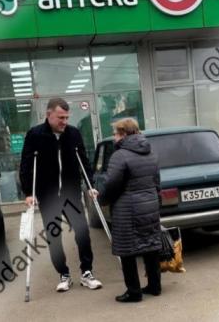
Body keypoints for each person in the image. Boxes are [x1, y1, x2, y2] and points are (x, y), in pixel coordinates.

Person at [19, 98, 102, 292]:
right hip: (47, 195)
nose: (64, 121)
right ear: (49, 115)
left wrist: (90, 184)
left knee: (82, 233)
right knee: (53, 236)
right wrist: (28, 192)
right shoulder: (35, 135)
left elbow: (83, 159)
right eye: (60, 117)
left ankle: (87, 272)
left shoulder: (73, 133)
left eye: (66, 117)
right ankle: (64, 274)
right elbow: (26, 164)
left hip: (71, 194)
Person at [96, 118, 162, 303]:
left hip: (128, 209)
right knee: (150, 247)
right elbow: (157, 182)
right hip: (150, 206)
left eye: (116, 134)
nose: (114, 137)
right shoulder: (151, 152)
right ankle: (155, 286)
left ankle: (134, 292)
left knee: (127, 251)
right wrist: (158, 205)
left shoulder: (120, 155)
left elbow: (112, 184)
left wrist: (102, 199)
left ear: (124, 134)